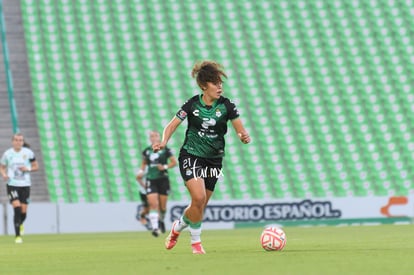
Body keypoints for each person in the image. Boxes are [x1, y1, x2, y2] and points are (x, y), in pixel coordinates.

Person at [152, 60, 251, 254]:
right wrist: (164, 142)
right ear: (204, 85)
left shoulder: (227, 105)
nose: (219, 86)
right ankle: (196, 243)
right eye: (215, 83)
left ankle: (178, 226)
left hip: (214, 159)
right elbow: (172, 125)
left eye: (220, 83)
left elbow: (240, 130)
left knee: (200, 205)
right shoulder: (192, 104)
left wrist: (243, 137)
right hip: (191, 155)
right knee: (198, 197)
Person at [0, 133, 39, 244]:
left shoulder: (28, 153)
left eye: (20, 140)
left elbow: (36, 166)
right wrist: (3, 174)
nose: (18, 142)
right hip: (12, 184)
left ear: (22, 142)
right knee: (16, 207)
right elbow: (2, 167)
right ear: (13, 141)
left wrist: (28, 169)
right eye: (16, 140)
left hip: (25, 185)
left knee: (23, 212)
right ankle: (18, 236)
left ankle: (20, 223)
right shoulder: (8, 154)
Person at [138, 130, 177, 237]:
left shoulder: (166, 149)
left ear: (159, 137)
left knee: (163, 208)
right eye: (151, 136)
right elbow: (144, 163)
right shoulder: (146, 151)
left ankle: (161, 220)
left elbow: (174, 162)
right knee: (153, 204)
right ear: (150, 138)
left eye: (155, 136)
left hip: (163, 179)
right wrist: (140, 172)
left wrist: (164, 167)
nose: (153, 137)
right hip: (151, 179)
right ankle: (155, 228)